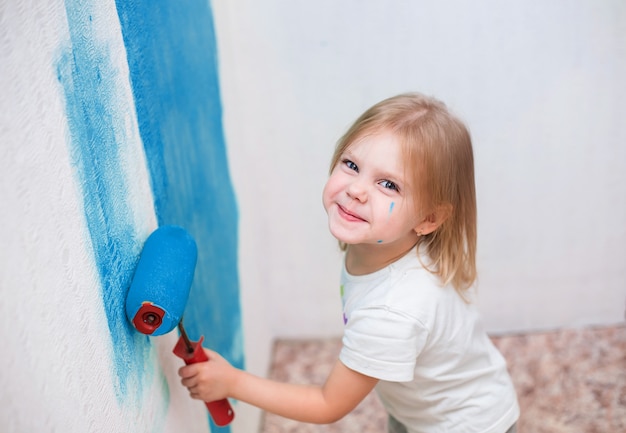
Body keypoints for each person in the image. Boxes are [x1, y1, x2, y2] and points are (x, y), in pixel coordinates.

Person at [179, 92, 520, 433]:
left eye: (388, 185)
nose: (357, 190)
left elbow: (328, 404)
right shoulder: (387, 244)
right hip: (449, 403)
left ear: (429, 218)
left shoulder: (391, 311)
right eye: (352, 165)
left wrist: (233, 383)